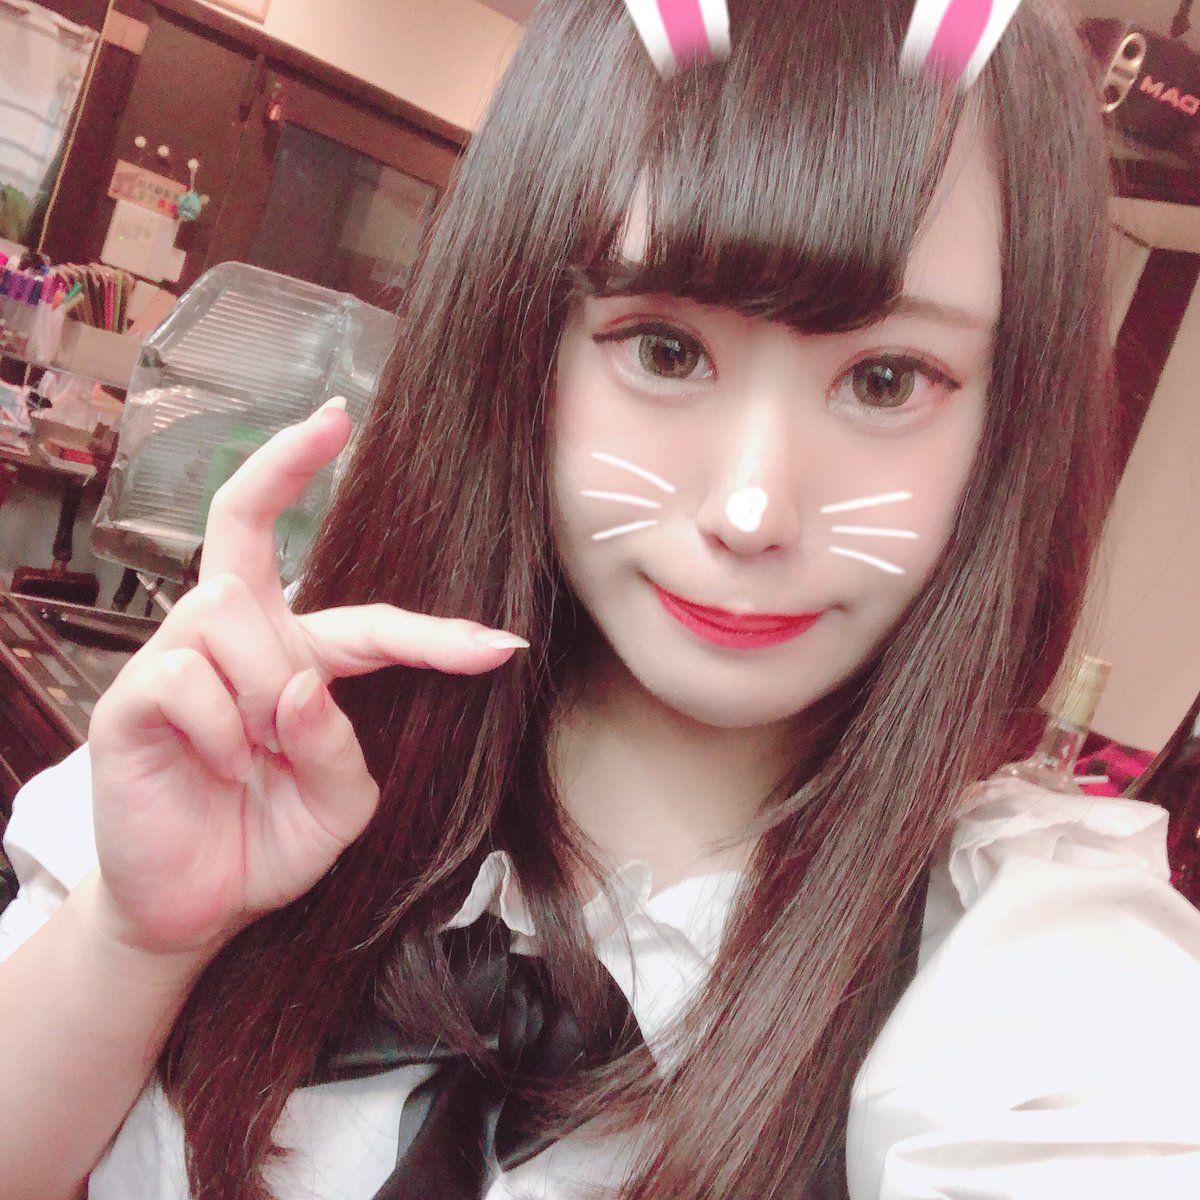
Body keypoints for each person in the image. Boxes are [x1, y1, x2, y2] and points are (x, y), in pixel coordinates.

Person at [3, 0, 1200, 1197]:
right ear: (520, 339)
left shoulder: (1037, 981)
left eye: (887, 380)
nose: (752, 510)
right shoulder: (285, 713)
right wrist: (133, 942)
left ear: (1009, 419)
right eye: (665, 350)